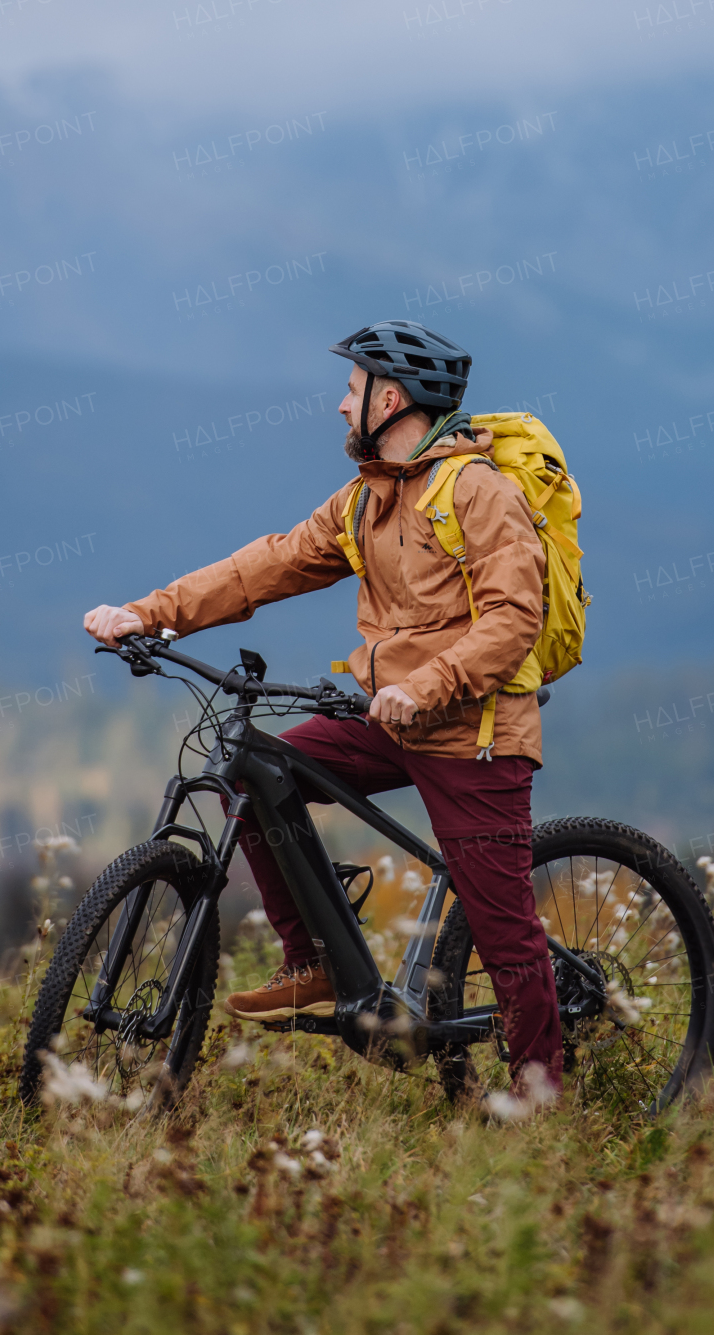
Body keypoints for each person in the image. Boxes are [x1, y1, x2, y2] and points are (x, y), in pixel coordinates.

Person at [84, 320, 563, 1095]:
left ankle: (542, 1104)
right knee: (259, 772)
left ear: (392, 397)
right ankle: (311, 961)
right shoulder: (365, 499)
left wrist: (426, 687)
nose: (342, 407)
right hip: (389, 719)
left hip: (474, 732)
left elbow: (515, 620)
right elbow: (265, 566)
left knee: (505, 933)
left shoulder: (479, 492)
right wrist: (151, 612)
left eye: (352, 390)